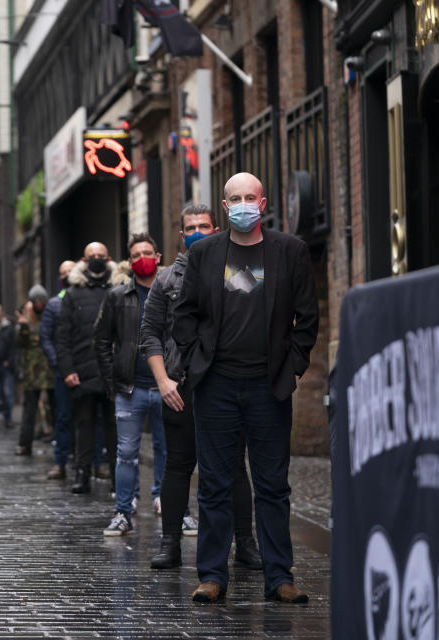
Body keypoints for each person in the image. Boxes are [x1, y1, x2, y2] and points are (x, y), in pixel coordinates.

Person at [173, 172, 319, 603]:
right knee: (215, 484)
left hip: (268, 386)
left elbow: (307, 318)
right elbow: (184, 315)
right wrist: (197, 358)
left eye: (249, 197)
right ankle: (212, 575)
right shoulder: (205, 254)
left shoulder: (290, 252)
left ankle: (280, 577)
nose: (242, 204)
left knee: (273, 485)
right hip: (216, 385)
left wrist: (293, 366)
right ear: (224, 207)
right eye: (234, 198)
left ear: (263, 201)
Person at [139, 203, 261, 569]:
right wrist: (162, 381)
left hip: (226, 382)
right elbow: (150, 334)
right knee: (178, 465)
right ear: (180, 234)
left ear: (215, 227)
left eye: (204, 226)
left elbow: (254, 316)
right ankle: (170, 544)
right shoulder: (165, 279)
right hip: (181, 386)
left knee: (235, 467)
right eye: (190, 226)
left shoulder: (236, 269)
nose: (197, 232)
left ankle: (246, 543)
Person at [94, 233, 167, 536]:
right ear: (129, 261)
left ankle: (172, 505)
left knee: (170, 450)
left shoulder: (172, 291)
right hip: (130, 388)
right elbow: (101, 341)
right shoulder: (117, 296)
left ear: (158, 257)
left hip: (167, 387)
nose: (142, 259)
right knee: (126, 453)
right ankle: (124, 510)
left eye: (147, 253)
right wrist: (113, 383)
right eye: (135, 255)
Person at [55, 242, 117, 495]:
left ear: (108, 258)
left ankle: (117, 477)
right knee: (84, 424)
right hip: (82, 370)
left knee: (115, 427)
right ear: (83, 259)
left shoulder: (120, 289)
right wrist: (68, 369)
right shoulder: (72, 294)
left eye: (100, 256)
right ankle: (82, 474)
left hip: (113, 371)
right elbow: (63, 337)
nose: (96, 260)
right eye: (92, 256)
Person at [39, 260, 77, 479]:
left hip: (86, 368)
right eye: (63, 273)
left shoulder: (88, 297)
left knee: (94, 418)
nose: (67, 275)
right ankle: (60, 461)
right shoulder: (54, 304)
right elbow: (46, 338)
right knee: (63, 417)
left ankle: (95, 462)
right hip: (62, 370)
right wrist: (59, 364)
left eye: (70, 271)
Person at [15, 287, 55, 456]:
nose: (39, 304)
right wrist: (23, 326)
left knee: (57, 408)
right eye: (36, 301)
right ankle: (25, 444)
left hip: (51, 370)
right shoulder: (26, 321)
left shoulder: (51, 317)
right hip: (32, 372)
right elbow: (19, 343)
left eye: (41, 301)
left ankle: (62, 443)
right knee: (29, 410)